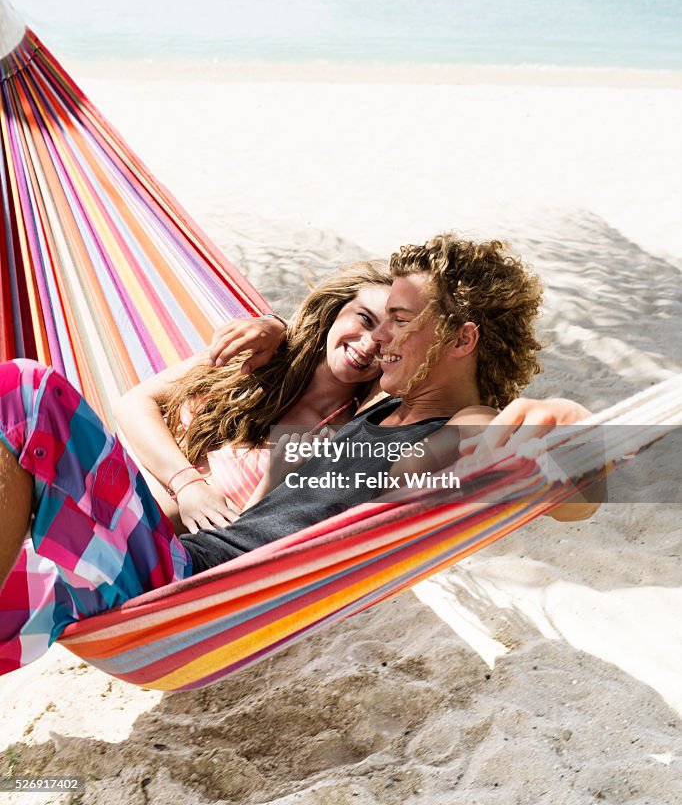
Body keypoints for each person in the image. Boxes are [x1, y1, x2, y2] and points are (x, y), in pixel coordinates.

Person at [0, 233, 593, 674]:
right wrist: (277, 329)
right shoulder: (378, 411)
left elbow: (560, 492)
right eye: (380, 320)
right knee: (25, 596)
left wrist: (568, 428)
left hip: (188, 590)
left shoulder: (457, 425)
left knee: (25, 390)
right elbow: (328, 366)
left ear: (461, 341)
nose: (380, 337)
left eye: (402, 321)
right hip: (164, 579)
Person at [114, 262, 393, 533]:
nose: (368, 345)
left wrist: (274, 479)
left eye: (389, 340)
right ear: (336, 309)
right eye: (365, 319)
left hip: (135, 557)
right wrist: (187, 484)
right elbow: (135, 402)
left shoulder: (338, 441)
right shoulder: (260, 350)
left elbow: (246, 546)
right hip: (97, 491)